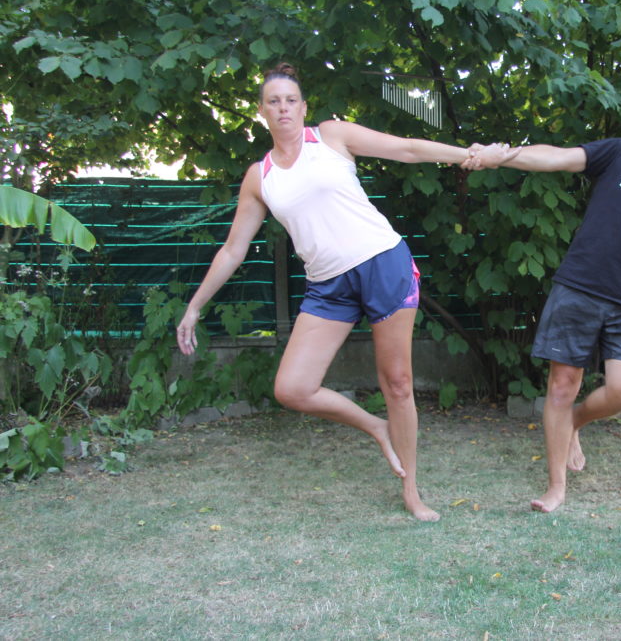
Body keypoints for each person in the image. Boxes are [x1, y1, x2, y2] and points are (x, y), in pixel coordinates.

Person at [176, 62, 510, 522]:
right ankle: (375, 426)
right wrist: (194, 306)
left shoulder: (330, 136)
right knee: (292, 388)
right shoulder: (261, 177)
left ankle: (411, 490)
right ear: (262, 112)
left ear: (304, 107)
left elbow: (407, 149)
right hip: (328, 286)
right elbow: (233, 250)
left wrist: (467, 154)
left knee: (397, 383)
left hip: (382, 263)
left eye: (291, 100)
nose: (283, 108)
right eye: (274, 101)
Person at [470, 91, 621, 513]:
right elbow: (557, 158)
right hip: (579, 287)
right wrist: (503, 157)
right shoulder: (620, 155)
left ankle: (575, 423)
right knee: (562, 386)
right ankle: (556, 486)